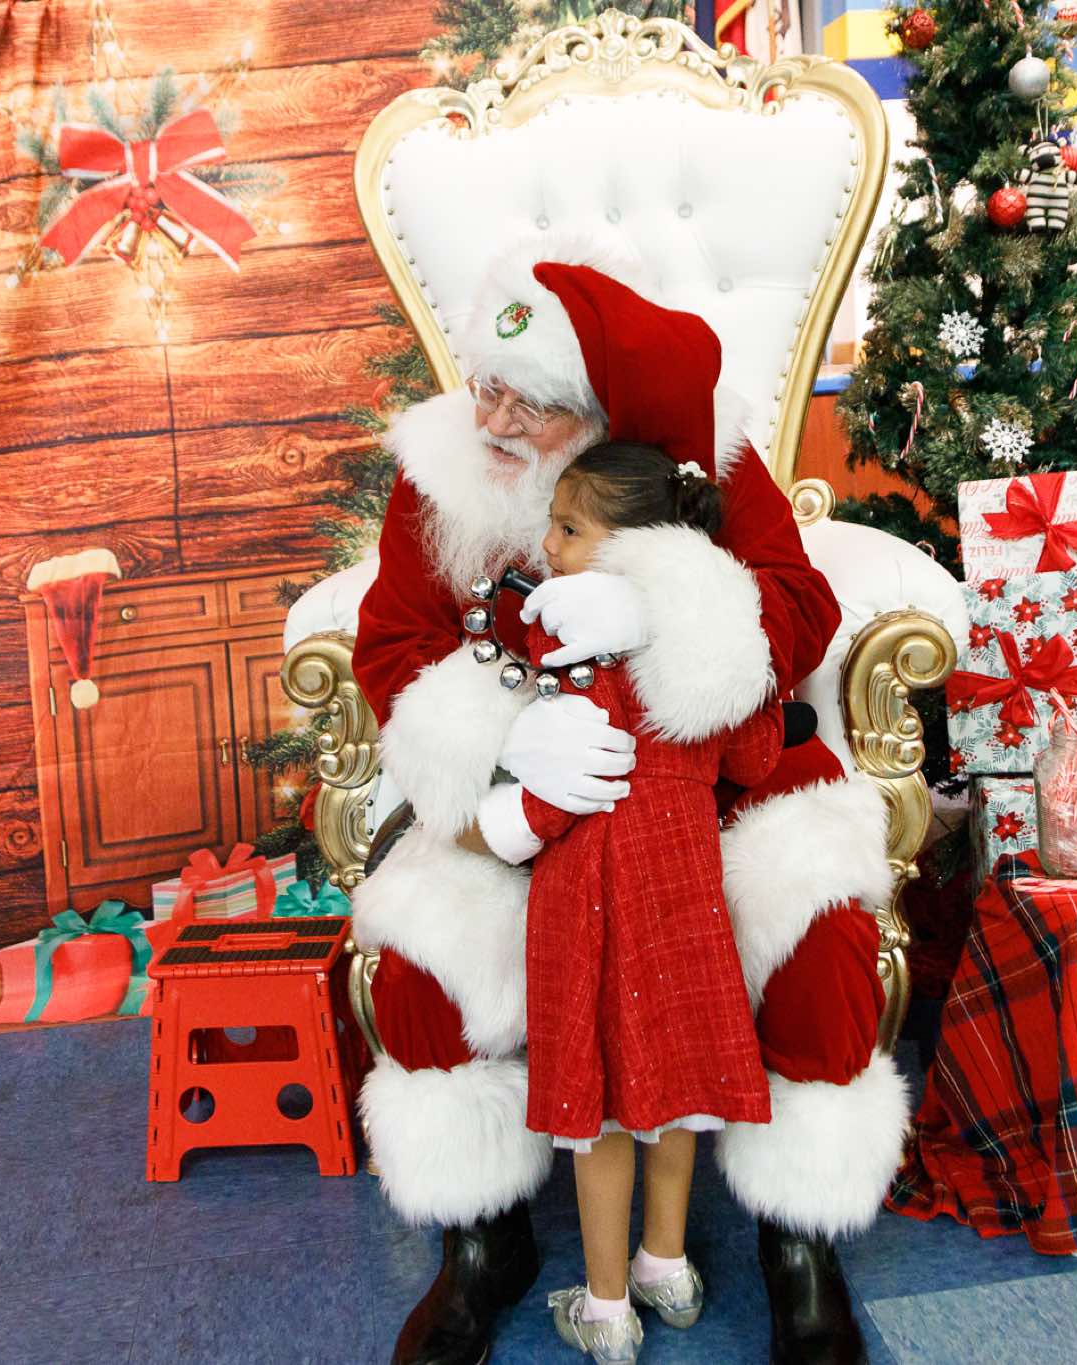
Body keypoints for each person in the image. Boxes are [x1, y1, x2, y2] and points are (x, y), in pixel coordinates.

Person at [349, 252, 909, 1365]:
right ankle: (484, 1238)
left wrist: (672, 619)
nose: (494, 421)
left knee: (825, 938)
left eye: (532, 405)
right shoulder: (443, 476)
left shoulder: (704, 462)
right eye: (488, 387)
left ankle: (797, 1240)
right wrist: (505, 737)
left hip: (706, 785)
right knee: (418, 953)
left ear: (607, 420)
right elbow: (394, 642)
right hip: (519, 799)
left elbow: (798, 606)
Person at [501, 441, 784, 1362]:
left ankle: (608, 1305)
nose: (547, 546)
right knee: (675, 1089)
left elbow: (556, 784)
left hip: (588, 890)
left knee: (605, 1111)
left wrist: (507, 820)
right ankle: (667, 1263)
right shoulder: (710, 646)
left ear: (631, 546)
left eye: (569, 528)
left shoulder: (571, 639)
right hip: (682, 893)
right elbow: (754, 760)